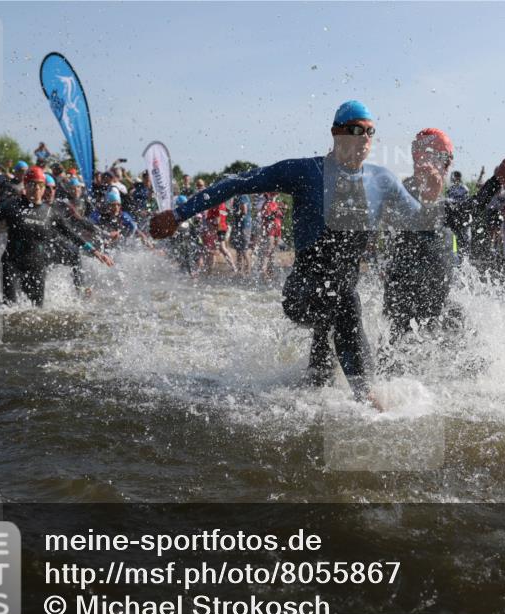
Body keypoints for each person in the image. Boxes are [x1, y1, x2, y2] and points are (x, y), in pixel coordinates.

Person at [148, 100, 459, 407]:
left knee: (323, 362)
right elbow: (236, 183)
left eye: (370, 132)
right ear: (336, 132)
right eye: (355, 130)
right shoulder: (305, 171)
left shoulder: (382, 180)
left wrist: (431, 198)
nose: (364, 138)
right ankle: (367, 399)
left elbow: (422, 224)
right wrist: (178, 215)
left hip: (339, 292)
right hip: (302, 291)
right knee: (345, 302)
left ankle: (315, 390)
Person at [382, 128, 505, 343]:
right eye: (444, 160)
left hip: (439, 301)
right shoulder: (403, 192)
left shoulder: (436, 199)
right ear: (422, 157)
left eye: (449, 160)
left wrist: (496, 181)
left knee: (476, 344)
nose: (448, 167)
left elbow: (467, 210)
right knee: (398, 350)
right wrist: (427, 198)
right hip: (406, 303)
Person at [0, 166, 113, 306]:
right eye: (32, 184)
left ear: (43, 188)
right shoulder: (11, 206)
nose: (36, 189)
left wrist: (95, 252)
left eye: (40, 185)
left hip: (37, 267)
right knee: (10, 309)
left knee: (36, 312)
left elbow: (71, 234)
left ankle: (80, 289)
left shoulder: (50, 212)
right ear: (25, 185)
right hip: (12, 265)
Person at [230, 193, 253, 274]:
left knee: (244, 250)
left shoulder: (243, 196)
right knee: (239, 250)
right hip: (241, 226)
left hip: (244, 226)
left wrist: (234, 213)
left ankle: (247, 272)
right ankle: (240, 272)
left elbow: (244, 210)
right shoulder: (238, 196)